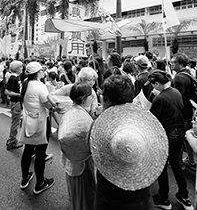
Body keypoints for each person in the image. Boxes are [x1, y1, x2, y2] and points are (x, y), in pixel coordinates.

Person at [89, 74, 169, 210]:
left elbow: (90, 152)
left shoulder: (97, 125)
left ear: (106, 100)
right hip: (142, 197)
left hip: (107, 198)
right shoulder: (144, 122)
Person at [148, 69, 193, 210]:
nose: (152, 87)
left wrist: (155, 98)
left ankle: (164, 198)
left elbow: (151, 120)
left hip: (166, 135)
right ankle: (184, 196)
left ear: (157, 83)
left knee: (162, 167)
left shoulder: (159, 99)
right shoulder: (175, 91)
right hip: (180, 133)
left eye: (153, 85)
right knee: (176, 165)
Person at [19, 61, 57, 194]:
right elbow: (48, 105)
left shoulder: (25, 83)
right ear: (37, 73)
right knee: (40, 153)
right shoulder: (40, 86)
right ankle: (40, 183)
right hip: (40, 122)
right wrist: (54, 103)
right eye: (42, 70)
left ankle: (25, 178)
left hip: (28, 120)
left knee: (28, 150)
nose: (43, 72)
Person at [58, 82, 96, 210]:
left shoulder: (72, 110)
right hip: (81, 164)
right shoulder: (81, 118)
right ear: (84, 98)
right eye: (91, 95)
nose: (92, 97)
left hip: (72, 160)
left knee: (76, 194)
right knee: (84, 195)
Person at [171, 53, 196, 171]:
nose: (171, 64)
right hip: (189, 110)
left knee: (179, 138)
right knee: (186, 136)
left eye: (174, 62)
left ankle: (179, 163)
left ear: (181, 64)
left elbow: (176, 97)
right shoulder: (188, 73)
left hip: (181, 112)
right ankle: (191, 160)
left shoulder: (179, 78)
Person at [5, 60, 23, 150]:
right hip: (15, 102)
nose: (22, 69)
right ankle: (12, 141)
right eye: (20, 67)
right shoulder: (13, 78)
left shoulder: (16, 77)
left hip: (17, 102)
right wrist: (18, 94)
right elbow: (7, 91)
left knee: (16, 122)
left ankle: (12, 140)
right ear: (16, 69)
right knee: (15, 123)